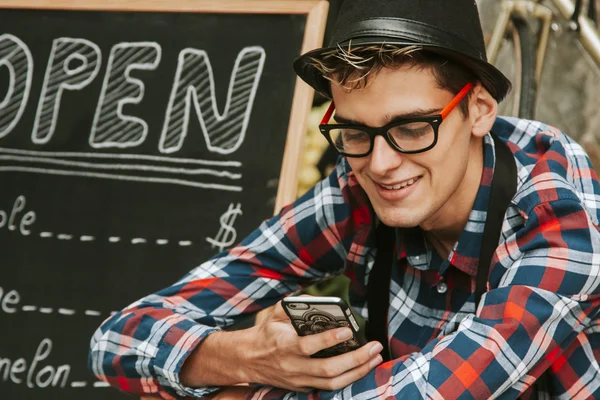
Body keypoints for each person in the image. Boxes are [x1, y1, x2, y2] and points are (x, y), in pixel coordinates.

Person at [89, 0, 600, 399]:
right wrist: (240, 355)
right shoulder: (357, 188)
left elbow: (437, 391)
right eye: (355, 131)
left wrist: (238, 394)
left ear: (480, 110)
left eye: (412, 127)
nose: (380, 164)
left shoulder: (559, 219)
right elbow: (115, 340)